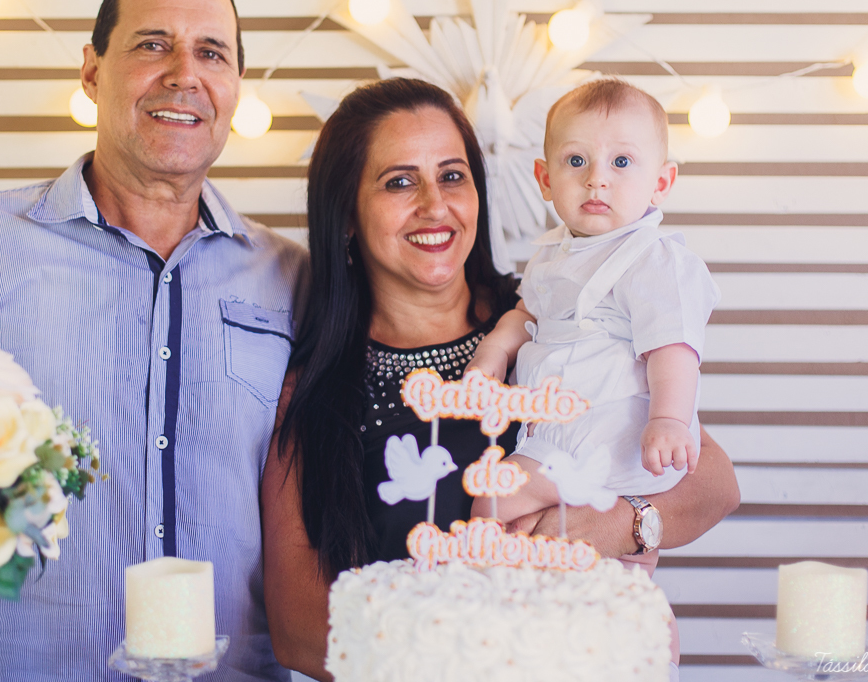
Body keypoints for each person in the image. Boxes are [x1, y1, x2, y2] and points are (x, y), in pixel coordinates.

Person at [0, 0, 306, 682]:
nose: (185, 74)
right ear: (91, 73)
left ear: (236, 88)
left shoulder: (292, 280)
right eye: (152, 44)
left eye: (212, 53)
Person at [260, 77, 740, 682]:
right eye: (399, 181)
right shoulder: (316, 390)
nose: (435, 204)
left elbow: (713, 482)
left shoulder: (556, 318)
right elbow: (299, 628)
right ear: (346, 215)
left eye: (453, 176)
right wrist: (481, 657)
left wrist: (623, 524)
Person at [468, 77, 719, 523]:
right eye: (576, 160)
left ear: (661, 182)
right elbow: (526, 313)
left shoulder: (653, 260)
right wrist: (492, 351)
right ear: (545, 179)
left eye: (621, 161)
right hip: (562, 430)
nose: (596, 179)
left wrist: (670, 420)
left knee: (494, 499)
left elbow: (674, 349)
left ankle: (482, 584)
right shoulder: (551, 253)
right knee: (603, 566)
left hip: (616, 437)